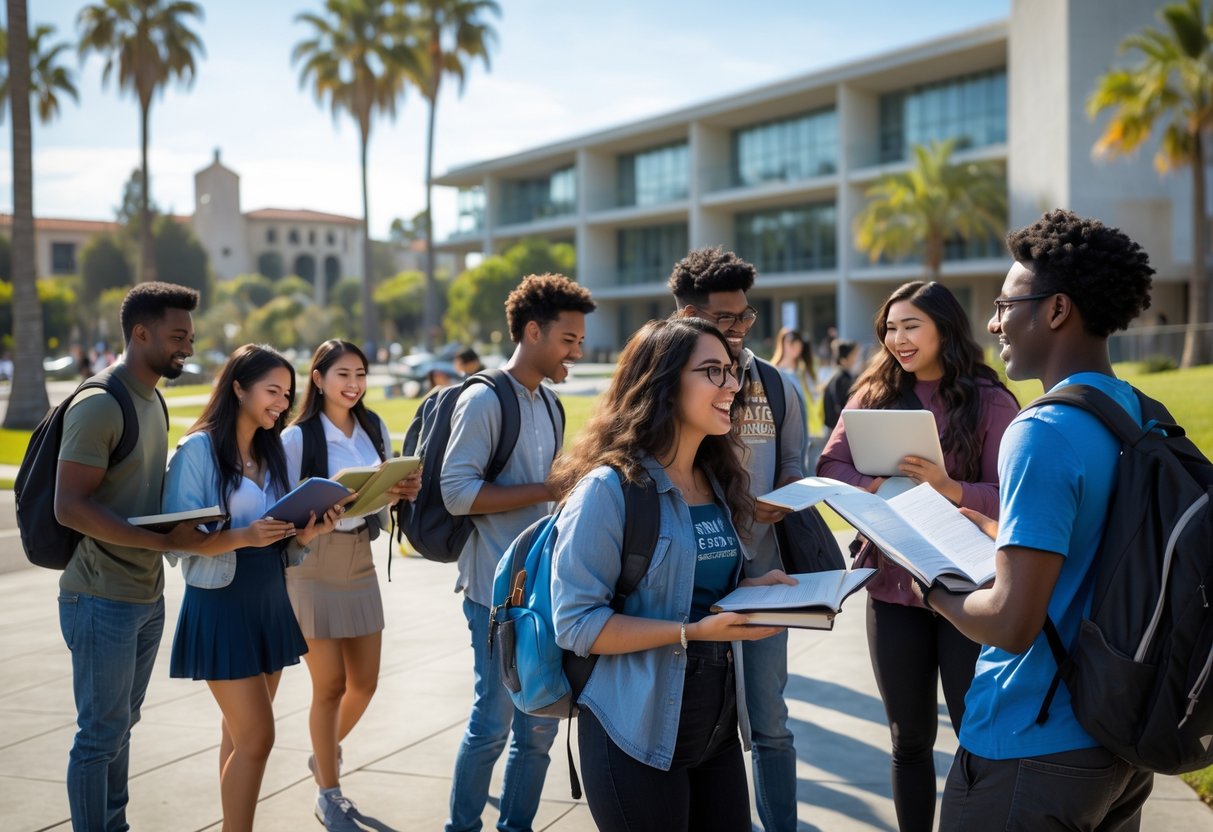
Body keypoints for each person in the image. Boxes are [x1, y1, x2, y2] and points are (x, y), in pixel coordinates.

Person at [927, 210, 1156, 830]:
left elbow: (1010, 622)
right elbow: (1096, 545)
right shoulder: (1136, 414)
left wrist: (934, 585)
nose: (994, 321)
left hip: (1028, 740)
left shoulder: (1042, 431)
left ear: (1056, 311)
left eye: (1006, 303)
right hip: (1115, 740)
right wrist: (997, 535)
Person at [550, 317, 792, 831]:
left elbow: (696, 587)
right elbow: (576, 624)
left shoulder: (716, 479)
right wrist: (692, 632)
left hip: (717, 728)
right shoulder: (608, 489)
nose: (732, 385)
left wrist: (747, 591)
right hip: (633, 729)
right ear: (662, 383)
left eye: (731, 372)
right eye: (712, 372)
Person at [816, 281, 1018, 831]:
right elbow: (830, 467)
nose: (897, 339)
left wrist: (951, 488)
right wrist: (874, 484)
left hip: (966, 591)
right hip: (891, 589)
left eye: (911, 326)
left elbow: (1016, 498)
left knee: (973, 732)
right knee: (907, 738)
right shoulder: (873, 394)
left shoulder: (990, 400)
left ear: (944, 329)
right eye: (890, 327)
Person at [162, 344, 344, 832]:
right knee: (258, 738)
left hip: (268, 601)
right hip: (221, 604)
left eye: (287, 394)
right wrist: (242, 536)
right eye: (272, 391)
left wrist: (307, 535)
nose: (282, 403)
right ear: (238, 387)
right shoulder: (197, 450)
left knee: (240, 736)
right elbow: (176, 541)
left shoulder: (270, 450)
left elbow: (278, 541)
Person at [441, 273, 597, 832]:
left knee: (540, 727)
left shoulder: (550, 405)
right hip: (493, 593)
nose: (577, 351)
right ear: (533, 332)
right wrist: (547, 490)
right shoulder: (484, 399)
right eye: (569, 340)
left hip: (544, 591)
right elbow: (456, 493)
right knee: (493, 722)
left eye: (580, 342)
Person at [54, 281, 210, 832]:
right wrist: (165, 543)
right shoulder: (101, 403)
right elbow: (69, 506)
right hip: (99, 596)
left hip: (145, 593)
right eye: (176, 337)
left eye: (189, 337)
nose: (186, 347)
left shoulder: (154, 397)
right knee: (99, 734)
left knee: (121, 726)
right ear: (139, 333)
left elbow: (140, 488)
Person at [669, 247, 805, 832]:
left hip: (765, 579)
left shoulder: (776, 386)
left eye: (745, 318)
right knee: (692, 727)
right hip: (686, 590)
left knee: (770, 723)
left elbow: (797, 468)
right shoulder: (662, 387)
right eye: (726, 321)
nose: (739, 332)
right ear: (686, 318)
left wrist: (786, 498)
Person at [282, 339, 421, 830]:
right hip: (312, 564)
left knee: (365, 682)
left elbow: (383, 497)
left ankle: (323, 753)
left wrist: (401, 489)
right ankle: (329, 791)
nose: (354, 384)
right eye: (343, 374)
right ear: (317, 379)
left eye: (360, 373)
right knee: (331, 685)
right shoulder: (296, 439)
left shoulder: (374, 427)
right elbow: (279, 508)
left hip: (360, 556)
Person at [771, 327, 816, 472]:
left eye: (798, 343)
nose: (795, 347)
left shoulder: (805, 373)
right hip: (781, 432)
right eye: (791, 342)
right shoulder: (773, 372)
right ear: (782, 343)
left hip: (805, 432)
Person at [821, 339, 858, 434]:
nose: (855, 359)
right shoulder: (842, 379)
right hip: (839, 429)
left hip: (834, 428)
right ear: (843, 360)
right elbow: (841, 406)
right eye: (853, 355)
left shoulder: (836, 375)